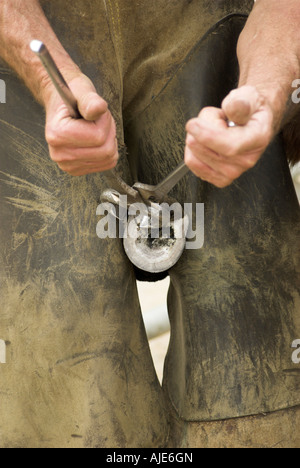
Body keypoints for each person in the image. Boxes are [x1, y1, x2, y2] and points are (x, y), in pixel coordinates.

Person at [0, 0, 299, 448]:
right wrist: (45, 75)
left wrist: (270, 88)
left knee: (256, 371)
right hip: (32, 37)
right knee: (59, 363)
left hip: (216, 30)